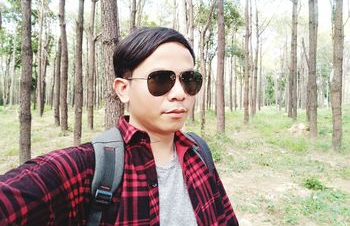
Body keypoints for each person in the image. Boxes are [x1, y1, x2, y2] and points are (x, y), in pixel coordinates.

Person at [0, 27, 239, 225]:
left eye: (189, 80)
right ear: (123, 89)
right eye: (161, 79)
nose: (179, 93)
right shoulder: (88, 168)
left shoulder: (199, 153)